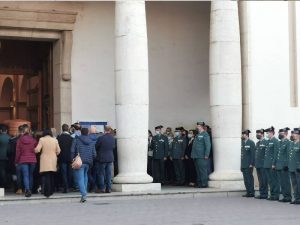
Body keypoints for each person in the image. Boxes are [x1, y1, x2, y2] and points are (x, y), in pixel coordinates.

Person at [71, 127, 96, 202]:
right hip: (88, 162)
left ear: (81, 132)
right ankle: (84, 195)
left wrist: (71, 159)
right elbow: (94, 154)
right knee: (85, 177)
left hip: (79, 161)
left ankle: (84, 195)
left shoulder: (76, 140)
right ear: (88, 133)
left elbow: (72, 150)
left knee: (80, 179)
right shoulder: (91, 141)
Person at [35, 128, 61, 198]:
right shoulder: (55, 140)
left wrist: (34, 150)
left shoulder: (42, 139)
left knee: (46, 176)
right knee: (51, 175)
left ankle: (46, 192)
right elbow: (58, 151)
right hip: (53, 159)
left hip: (44, 159)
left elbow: (37, 150)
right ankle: (51, 190)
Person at [15, 124, 37, 197]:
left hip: (23, 159)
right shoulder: (33, 140)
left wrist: (16, 161)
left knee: (25, 175)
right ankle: (30, 189)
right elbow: (36, 150)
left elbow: (18, 152)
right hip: (33, 160)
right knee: (31, 175)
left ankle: (27, 190)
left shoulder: (19, 140)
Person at [95, 126, 115, 193]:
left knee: (101, 174)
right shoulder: (112, 138)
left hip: (102, 158)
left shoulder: (101, 138)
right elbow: (113, 147)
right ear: (109, 130)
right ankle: (109, 188)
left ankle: (102, 188)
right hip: (110, 158)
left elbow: (96, 147)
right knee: (108, 174)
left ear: (104, 130)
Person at [274, 127, 292, 202]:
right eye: (279, 133)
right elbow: (277, 154)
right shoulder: (279, 142)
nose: (280, 134)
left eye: (281, 133)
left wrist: (287, 165)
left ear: (285, 134)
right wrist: (275, 164)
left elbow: (288, 155)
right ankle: (285, 196)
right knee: (281, 182)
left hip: (284, 166)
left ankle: (288, 197)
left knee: (286, 182)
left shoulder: (288, 143)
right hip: (279, 165)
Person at [191, 122, 211, 188]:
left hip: (201, 155)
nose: (197, 127)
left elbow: (208, 145)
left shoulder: (205, 134)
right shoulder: (198, 134)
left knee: (202, 170)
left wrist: (206, 154)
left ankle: (204, 184)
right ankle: (199, 183)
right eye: (197, 126)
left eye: (199, 126)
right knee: (198, 170)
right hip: (196, 155)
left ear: (202, 127)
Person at [264, 126, 280, 201]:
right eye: (267, 133)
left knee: (274, 180)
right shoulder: (268, 141)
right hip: (267, 164)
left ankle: (276, 195)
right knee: (270, 180)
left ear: (272, 133)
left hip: (272, 164)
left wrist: (274, 163)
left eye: (269, 133)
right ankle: (272, 194)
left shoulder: (275, 141)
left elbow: (275, 153)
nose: (268, 134)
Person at [57, 124, 73, 193]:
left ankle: (65, 187)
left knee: (63, 173)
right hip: (70, 158)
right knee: (69, 172)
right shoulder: (71, 138)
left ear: (62, 129)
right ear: (68, 129)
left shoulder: (59, 138)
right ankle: (69, 186)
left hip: (62, 158)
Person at [9, 125, 24, 194]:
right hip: (25, 159)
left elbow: (10, 152)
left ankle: (17, 188)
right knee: (25, 174)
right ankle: (25, 188)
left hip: (16, 160)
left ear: (18, 131)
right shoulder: (29, 139)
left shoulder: (13, 140)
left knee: (16, 175)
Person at [241, 130, 255, 197]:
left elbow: (253, 154)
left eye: (243, 135)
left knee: (249, 178)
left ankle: (252, 192)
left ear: (246, 135)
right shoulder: (243, 143)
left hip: (249, 164)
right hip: (244, 164)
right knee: (246, 179)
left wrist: (252, 163)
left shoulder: (251, 143)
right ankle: (248, 191)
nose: (242, 136)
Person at [254, 129, 268, 199]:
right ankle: (261, 193)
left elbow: (267, 154)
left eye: (258, 133)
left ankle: (265, 194)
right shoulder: (257, 143)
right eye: (257, 133)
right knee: (260, 180)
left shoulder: (266, 142)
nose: (257, 135)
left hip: (263, 164)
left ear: (262, 134)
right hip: (258, 164)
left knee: (264, 179)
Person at [289, 128, 300, 204]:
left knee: (299, 183)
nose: (294, 136)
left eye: (296, 134)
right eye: (294, 134)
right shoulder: (292, 144)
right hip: (292, 167)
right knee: (294, 183)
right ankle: (296, 198)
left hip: (298, 167)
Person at [0, 124, 10, 188]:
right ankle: (8, 184)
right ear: (6, 130)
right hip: (9, 157)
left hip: (1, 156)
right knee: (8, 171)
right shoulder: (10, 137)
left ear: (1, 130)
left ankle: (3, 184)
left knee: (2, 170)